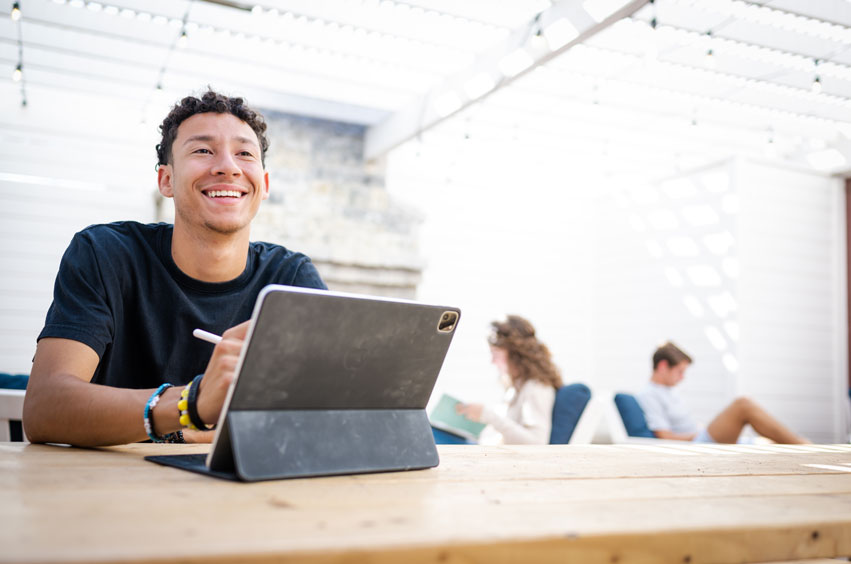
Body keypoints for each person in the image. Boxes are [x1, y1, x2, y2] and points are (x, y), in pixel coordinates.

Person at [23, 90, 326, 447]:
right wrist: (191, 404)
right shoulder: (105, 254)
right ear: (166, 180)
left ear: (264, 185)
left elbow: (327, 411)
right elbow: (44, 407)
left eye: (245, 153)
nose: (228, 166)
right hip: (110, 491)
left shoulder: (290, 279)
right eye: (202, 150)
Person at [637, 341, 809, 444]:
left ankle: (802, 445)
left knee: (768, 443)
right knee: (743, 405)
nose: (682, 378)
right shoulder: (649, 395)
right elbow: (664, 436)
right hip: (695, 445)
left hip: (698, 437)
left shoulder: (669, 391)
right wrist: (699, 434)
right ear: (662, 366)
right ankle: (805, 447)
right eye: (680, 372)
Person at [456, 315, 562, 444]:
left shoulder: (536, 388)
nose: (492, 361)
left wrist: (487, 415)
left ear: (515, 355)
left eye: (496, 354)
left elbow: (536, 442)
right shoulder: (516, 386)